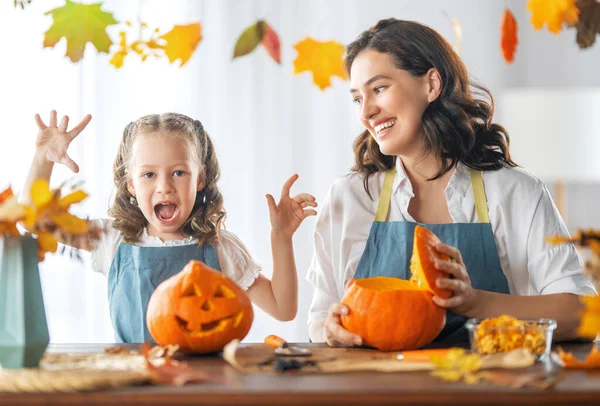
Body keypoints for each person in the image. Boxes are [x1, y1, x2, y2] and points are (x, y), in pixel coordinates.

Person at [306, 18, 596, 347]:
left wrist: (477, 303)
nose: (366, 112)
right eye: (358, 98)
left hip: (490, 390)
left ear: (431, 84)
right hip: (378, 392)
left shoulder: (515, 192)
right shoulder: (350, 197)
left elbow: (582, 315)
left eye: (379, 88)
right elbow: (318, 318)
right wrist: (329, 329)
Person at [22, 110, 317, 343]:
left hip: (204, 388)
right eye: (149, 174)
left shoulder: (220, 246)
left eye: (178, 172)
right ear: (131, 185)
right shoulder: (112, 239)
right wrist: (42, 160)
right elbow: (35, 221)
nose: (164, 187)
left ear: (199, 179)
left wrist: (281, 235)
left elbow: (282, 308)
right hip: (133, 388)